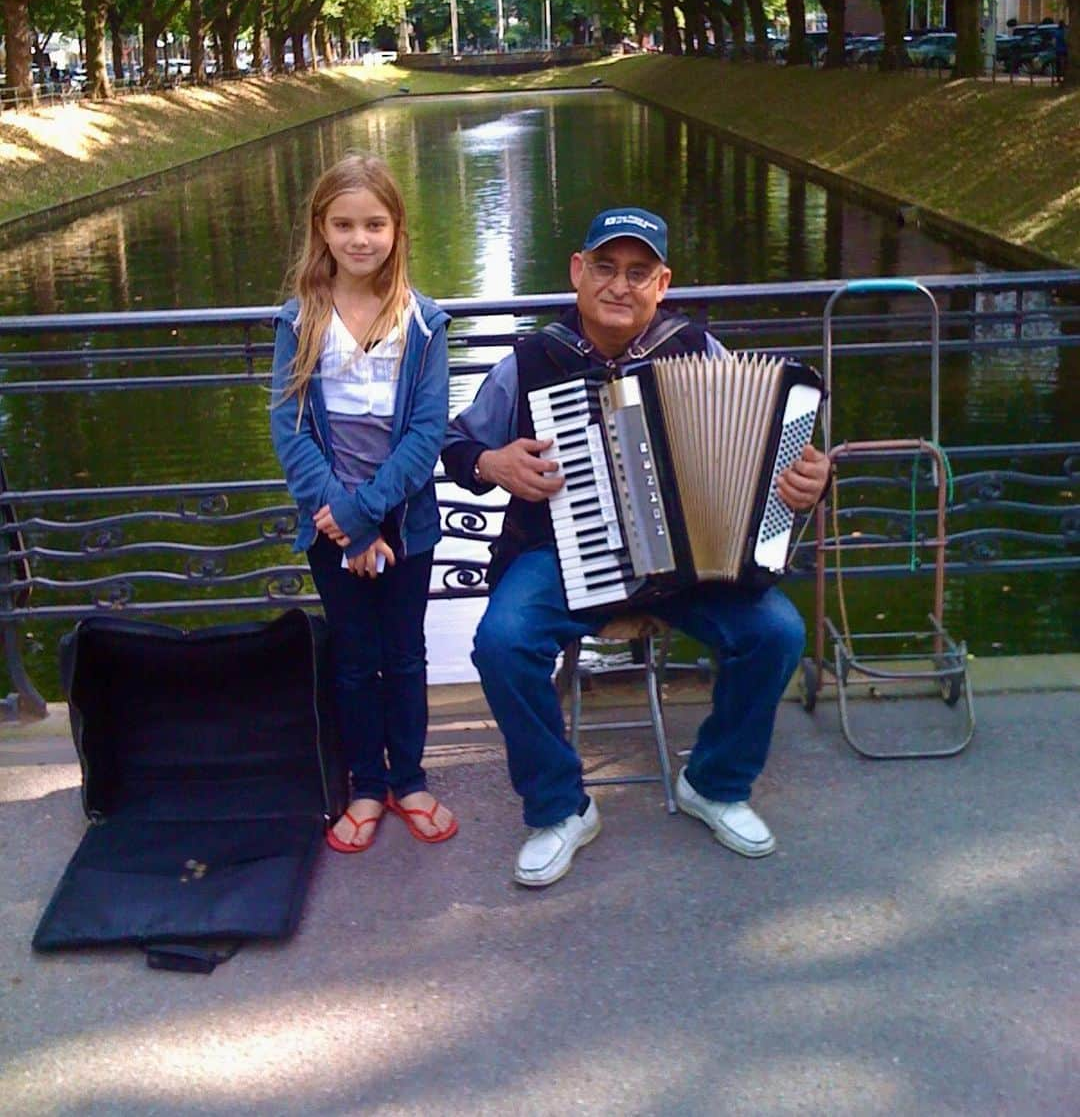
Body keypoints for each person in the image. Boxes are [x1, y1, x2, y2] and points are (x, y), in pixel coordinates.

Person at [442, 207, 830, 888]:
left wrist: (806, 480)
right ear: (577, 272)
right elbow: (456, 445)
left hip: (687, 566)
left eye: (638, 272)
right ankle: (560, 808)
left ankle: (714, 783)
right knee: (501, 643)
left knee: (775, 632)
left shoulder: (699, 352)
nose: (620, 286)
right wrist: (491, 464)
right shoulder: (531, 362)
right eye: (605, 267)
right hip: (561, 554)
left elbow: (769, 456)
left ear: (662, 283)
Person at [271, 153, 458, 853]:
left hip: (403, 523)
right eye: (343, 224)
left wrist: (365, 516)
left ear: (396, 228)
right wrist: (340, 522)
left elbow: (427, 432)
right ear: (321, 229)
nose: (359, 239)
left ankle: (409, 777)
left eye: (373, 224)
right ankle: (365, 786)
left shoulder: (424, 322)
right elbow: (288, 429)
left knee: (404, 653)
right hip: (329, 524)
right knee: (354, 656)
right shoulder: (301, 318)